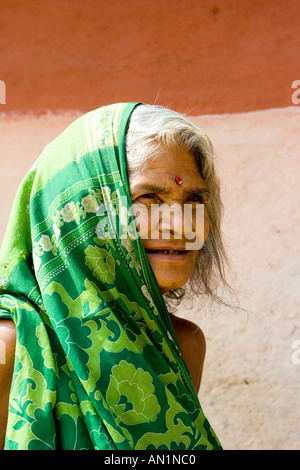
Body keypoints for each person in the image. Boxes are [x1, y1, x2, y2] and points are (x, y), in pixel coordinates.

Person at [0, 102, 228, 450]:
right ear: (82, 212)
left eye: (193, 198)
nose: (181, 225)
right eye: (149, 197)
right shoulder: (12, 348)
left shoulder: (182, 345)